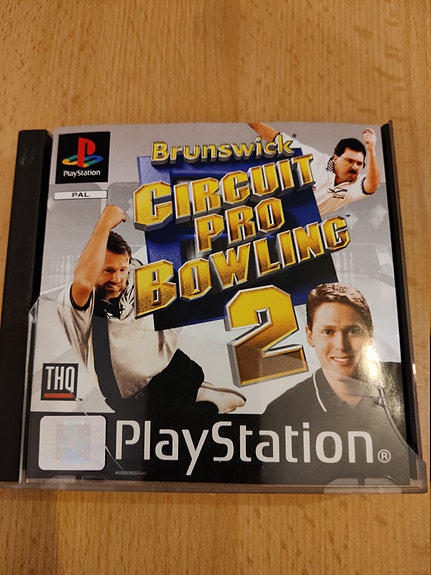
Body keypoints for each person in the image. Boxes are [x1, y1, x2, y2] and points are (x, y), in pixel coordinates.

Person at [57, 204, 246, 418]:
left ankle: (199, 391)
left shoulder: (135, 271)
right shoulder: (79, 303)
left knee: (185, 413)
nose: (116, 278)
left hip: (171, 365)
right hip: (135, 393)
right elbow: (84, 280)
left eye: (122, 270)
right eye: (107, 271)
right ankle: (211, 400)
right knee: (186, 421)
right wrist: (105, 223)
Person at [261, 282, 410, 485]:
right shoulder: (282, 411)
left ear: (370, 333)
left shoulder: (407, 384)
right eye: (328, 331)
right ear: (310, 335)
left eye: (353, 331)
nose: (341, 345)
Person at [248, 122, 381, 216]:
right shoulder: (314, 159)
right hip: (263, 208)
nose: (354, 167)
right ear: (335, 158)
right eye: (349, 161)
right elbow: (277, 139)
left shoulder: (354, 186)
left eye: (359, 164)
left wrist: (371, 151)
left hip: (297, 228)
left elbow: (372, 185)